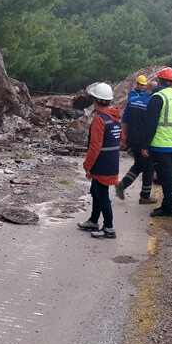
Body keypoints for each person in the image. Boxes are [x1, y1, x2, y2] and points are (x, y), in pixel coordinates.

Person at [77, 82, 123, 239]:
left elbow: (95, 146)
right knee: (96, 192)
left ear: (95, 100)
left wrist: (87, 164)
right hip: (111, 161)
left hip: (100, 163)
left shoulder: (100, 119)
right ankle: (93, 220)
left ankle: (109, 228)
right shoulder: (115, 117)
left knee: (102, 195)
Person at [140, 67, 172, 217]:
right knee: (169, 175)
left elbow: (150, 124)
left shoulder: (157, 97)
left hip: (159, 144)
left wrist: (145, 145)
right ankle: (167, 205)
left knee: (166, 178)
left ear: (159, 80)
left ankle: (168, 208)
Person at [115, 78, 157, 204]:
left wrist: (124, 136)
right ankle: (145, 196)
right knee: (149, 167)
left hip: (132, 139)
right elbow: (153, 124)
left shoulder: (132, 101)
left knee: (139, 164)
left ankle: (122, 185)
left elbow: (125, 119)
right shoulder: (152, 103)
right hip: (145, 141)